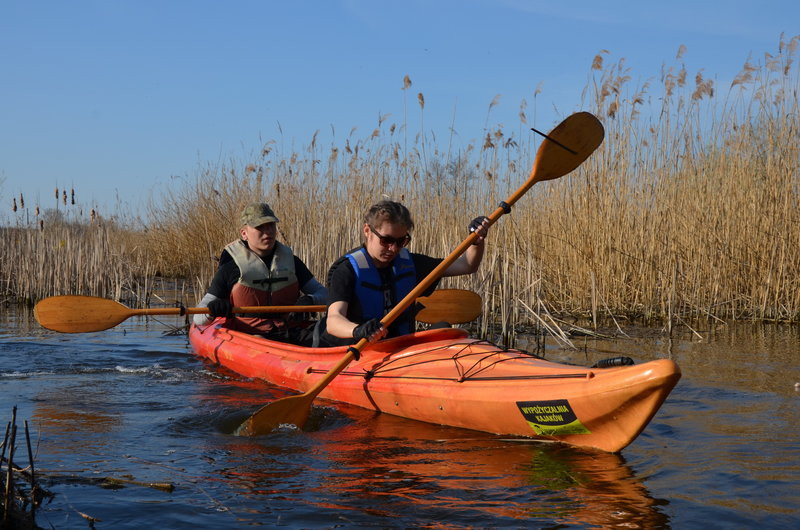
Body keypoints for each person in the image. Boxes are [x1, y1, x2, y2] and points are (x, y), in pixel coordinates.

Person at [318, 200, 489, 348]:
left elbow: (466, 265)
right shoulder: (347, 270)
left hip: (398, 349)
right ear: (367, 231)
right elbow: (333, 321)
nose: (393, 248)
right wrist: (357, 330)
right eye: (386, 240)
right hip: (352, 351)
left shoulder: (410, 264)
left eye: (401, 241)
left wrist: (475, 241)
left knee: (444, 328)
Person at [193, 202, 328, 346]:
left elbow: (326, 295)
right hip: (251, 336)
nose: (268, 231)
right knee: (261, 340)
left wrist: (311, 300)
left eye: (271, 225)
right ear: (244, 233)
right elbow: (198, 318)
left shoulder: (292, 262)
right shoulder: (230, 269)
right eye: (260, 227)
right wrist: (213, 309)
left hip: (291, 331)